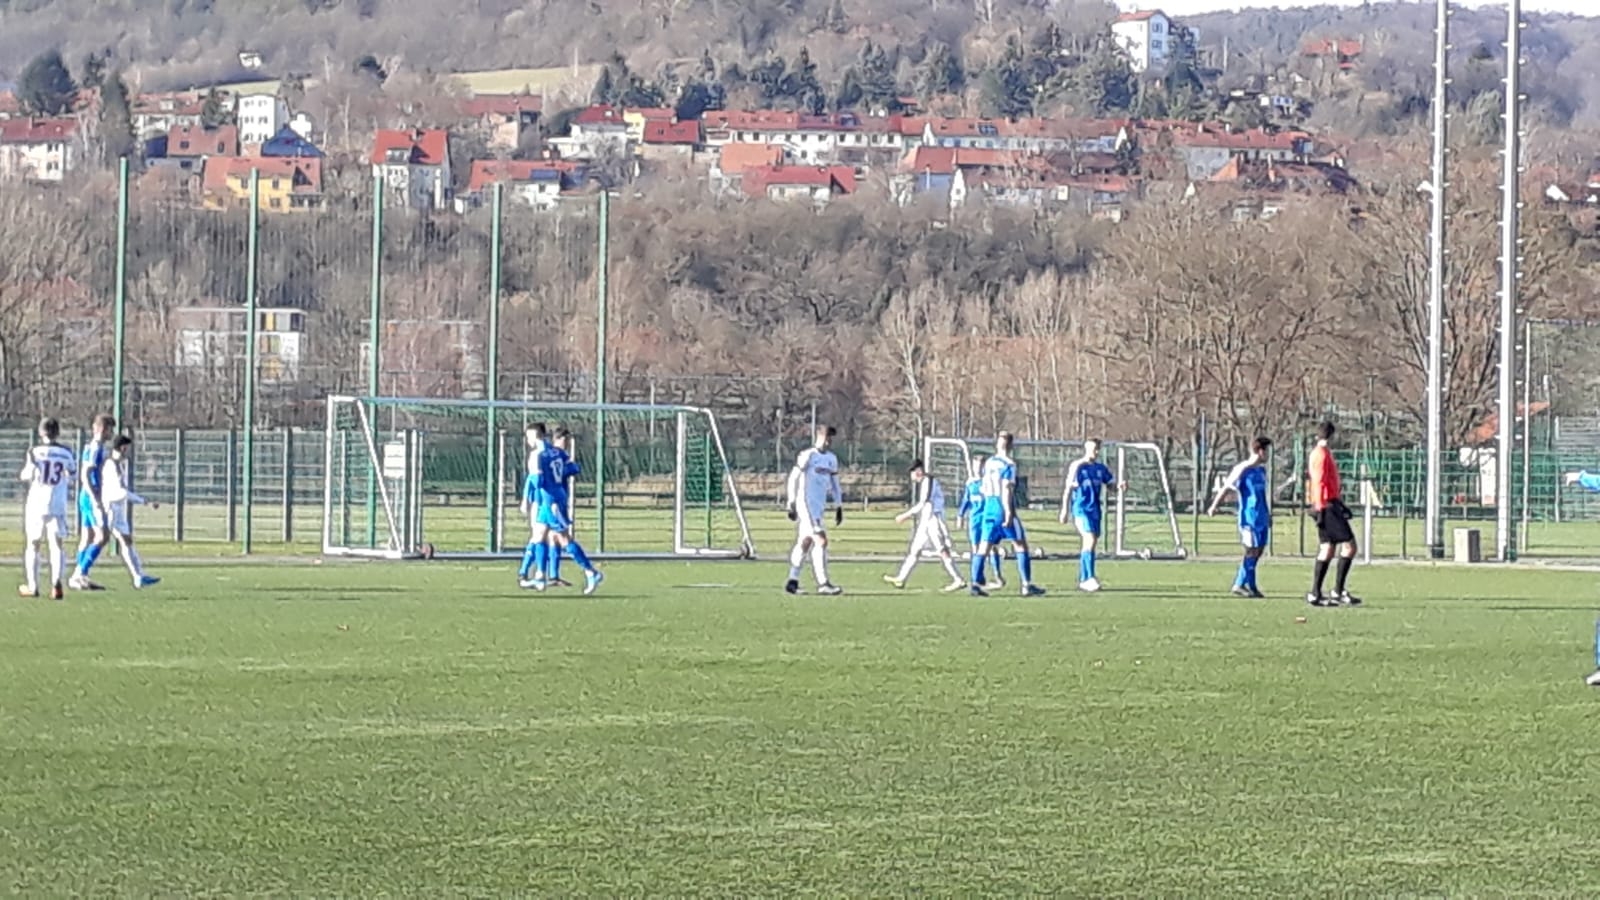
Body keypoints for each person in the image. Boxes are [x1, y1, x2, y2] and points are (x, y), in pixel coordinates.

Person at [521, 426, 603, 595]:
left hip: (551, 500)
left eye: (529, 437)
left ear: (537, 437)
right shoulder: (557, 452)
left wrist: (534, 477)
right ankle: (540, 576)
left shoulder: (538, 455)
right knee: (539, 535)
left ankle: (591, 572)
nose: (528, 440)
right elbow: (574, 468)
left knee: (563, 538)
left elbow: (538, 482)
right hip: (554, 497)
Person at [970, 431, 1044, 598]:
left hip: (988, 506)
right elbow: (1006, 488)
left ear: (997, 444)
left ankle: (975, 584)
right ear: (1011, 446)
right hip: (1001, 506)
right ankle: (1026, 585)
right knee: (1020, 544)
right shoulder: (1009, 464)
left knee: (984, 546)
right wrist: (1008, 511)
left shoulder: (989, 462)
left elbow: (983, 487)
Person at [883, 460, 966, 592]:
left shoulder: (928, 481)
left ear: (918, 471)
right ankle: (901, 578)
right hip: (926, 520)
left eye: (912, 472)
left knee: (942, 550)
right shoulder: (925, 482)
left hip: (933, 520)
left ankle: (958, 579)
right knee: (915, 550)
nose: (911, 476)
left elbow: (923, 503)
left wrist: (905, 515)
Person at [18, 417, 76, 600]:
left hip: (37, 503)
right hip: (57, 503)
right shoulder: (66, 453)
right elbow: (73, 474)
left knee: (33, 544)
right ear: (57, 433)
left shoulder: (34, 452)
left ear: (40, 432)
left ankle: (33, 586)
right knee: (56, 544)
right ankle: (56, 583)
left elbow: (26, 475)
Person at [1208, 437, 1273, 598]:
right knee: (1251, 551)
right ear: (1260, 451)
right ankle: (1243, 584)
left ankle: (1246, 584)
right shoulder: (1242, 469)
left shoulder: (1261, 471)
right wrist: (1214, 505)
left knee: (1258, 551)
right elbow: (1227, 487)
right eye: (1267, 451)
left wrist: (1268, 514)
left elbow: (1262, 495)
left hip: (1261, 517)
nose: (1268, 455)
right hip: (1249, 518)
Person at [1307, 421, 1361, 607]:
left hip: (1327, 503)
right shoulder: (1322, 454)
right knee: (1349, 546)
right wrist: (1321, 507)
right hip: (1327, 506)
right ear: (1332, 435)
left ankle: (1316, 593)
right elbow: (1319, 482)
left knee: (1328, 548)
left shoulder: (1320, 452)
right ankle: (1335, 591)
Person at [785, 425, 844, 596]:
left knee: (805, 542)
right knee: (821, 541)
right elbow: (793, 478)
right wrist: (791, 502)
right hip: (806, 505)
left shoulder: (832, 459)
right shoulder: (808, 455)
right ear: (819, 437)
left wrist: (839, 506)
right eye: (826, 437)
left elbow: (835, 484)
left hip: (818, 508)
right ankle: (823, 583)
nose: (829, 441)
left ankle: (792, 581)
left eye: (830, 438)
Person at [1059, 439, 1121, 593]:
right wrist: (1064, 509)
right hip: (1081, 509)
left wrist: (1119, 486)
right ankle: (1088, 578)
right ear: (1086, 449)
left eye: (1098, 449)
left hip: (1095, 510)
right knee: (1090, 538)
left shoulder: (1100, 468)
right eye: (1094, 449)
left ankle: (1084, 578)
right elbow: (1068, 488)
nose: (1096, 452)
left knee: (1090, 543)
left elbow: (1111, 486)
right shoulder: (1078, 466)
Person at [101, 434, 160, 589]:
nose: (129, 451)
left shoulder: (119, 464)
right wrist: (144, 501)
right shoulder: (112, 465)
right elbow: (121, 491)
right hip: (111, 508)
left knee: (126, 541)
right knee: (100, 540)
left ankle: (138, 577)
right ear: (123, 448)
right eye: (128, 448)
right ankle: (81, 571)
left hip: (118, 507)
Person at [68, 413, 116, 591]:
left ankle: (81, 576)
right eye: (110, 430)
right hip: (91, 496)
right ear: (104, 429)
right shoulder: (95, 448)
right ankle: (78, 573)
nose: (111, 434)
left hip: (86, 495)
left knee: (87, 537)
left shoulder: (94, 447)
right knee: (103, 536)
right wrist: (96, 498)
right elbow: (86, 474)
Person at [956, 455, 1005, 591]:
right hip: (975, 519)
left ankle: (997, 576)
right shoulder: (970, 483)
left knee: (991, 547)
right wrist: (960, 515)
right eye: (975, 466)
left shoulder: (989, 482)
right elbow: (966, 500)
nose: (978, 469)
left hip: (987, 518)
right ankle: (978, 578)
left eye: (980, 466)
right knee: (975, 548)